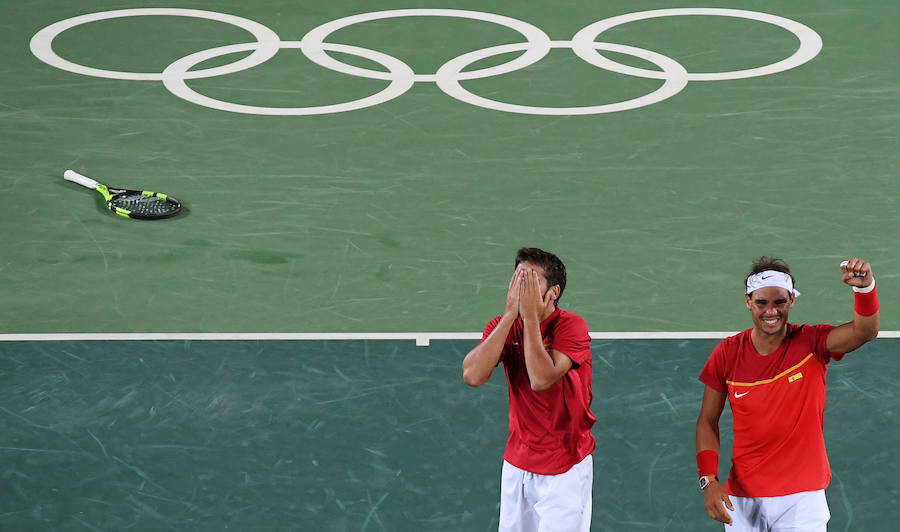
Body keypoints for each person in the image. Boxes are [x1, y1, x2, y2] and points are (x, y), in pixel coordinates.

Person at [695, 256, 880, 531]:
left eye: (780, 301)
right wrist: (708, 480)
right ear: (748, 301)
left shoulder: (812, 343)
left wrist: (864, 289)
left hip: (802, 499)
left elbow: (865, 331)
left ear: (792, 300)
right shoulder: (727, 353)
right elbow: (707, 420)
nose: (771, 311)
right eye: (762, 302)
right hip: (743, 501)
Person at [462, 247, 595, 532]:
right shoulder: (503, 326)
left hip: (565, 467)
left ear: (553, 292)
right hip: (518, 464)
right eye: (518, 279)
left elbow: (541, 379)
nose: (522, 287)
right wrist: (510, 316)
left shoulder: (571, 327)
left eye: (531, 281)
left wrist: (531, 319)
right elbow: (472, 375)